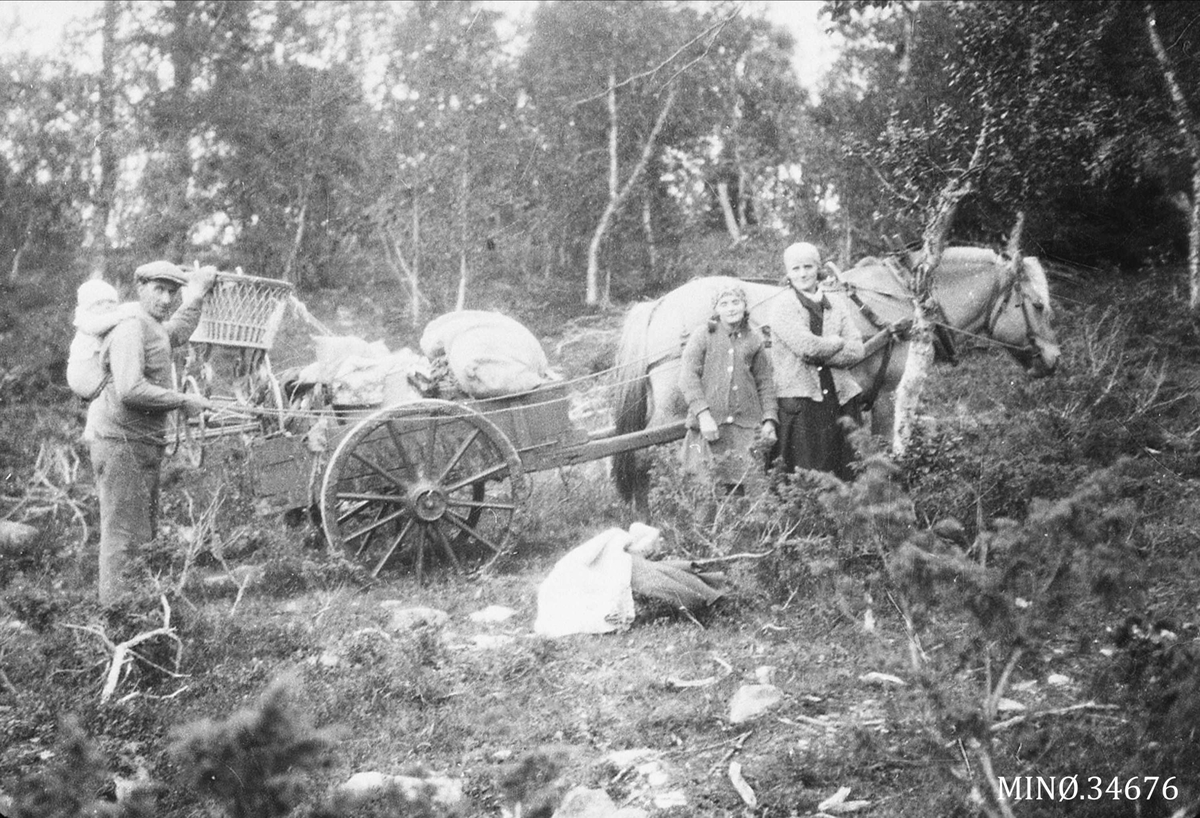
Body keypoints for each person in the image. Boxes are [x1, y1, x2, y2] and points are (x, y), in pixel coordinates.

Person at [85, 260, 217, 604]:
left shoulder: (152, 326)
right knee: (122, 538)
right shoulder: (131, 328)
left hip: (139, 444)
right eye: (158, 289)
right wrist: (182, 399)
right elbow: (130, 389)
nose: (165, 298)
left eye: (172, 292)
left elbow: (174, 333)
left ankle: (135, 615)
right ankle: (115, 619)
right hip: (120, 443)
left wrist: (198, 295)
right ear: (139, 287)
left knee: (141, 535)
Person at [768, 242, 864, 480]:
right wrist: (836, 341)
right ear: (788, 273)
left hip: (840, 398)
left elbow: (857, 350)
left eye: (808, 267)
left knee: (848, 469)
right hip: (802, 402)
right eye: (796, 268)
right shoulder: (782, 306)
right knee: (808, 474)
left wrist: (829, 349)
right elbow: (807, 348)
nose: (802, 274)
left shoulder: (837, 304)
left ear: (818, 269)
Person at [679, 283, 778, 493]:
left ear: (744, 305)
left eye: (736, 302)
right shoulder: (702, 336)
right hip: (709, 430)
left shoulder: (754, 340)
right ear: (716, 309)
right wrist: (704, 416)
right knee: (706, 492)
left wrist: (769, 419)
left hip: (746, 431)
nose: (731, 308)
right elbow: (688, 377)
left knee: (749, 493)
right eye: (724, 303)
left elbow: (765, 383)